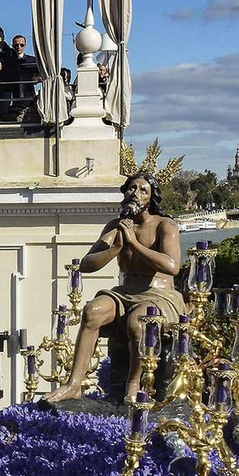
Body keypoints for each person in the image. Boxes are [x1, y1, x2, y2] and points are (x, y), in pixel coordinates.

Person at [44, 171, 184, 404]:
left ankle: (133, 385)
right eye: (131, 188)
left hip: (159, 296)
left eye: (142, 190)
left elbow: (172, 266)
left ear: (151, 199)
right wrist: (115, 249)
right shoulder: (116, 226)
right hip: (125, 292)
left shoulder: (164, 225)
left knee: (138, 323)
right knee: (92, 312)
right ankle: (74, 384)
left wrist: (134, 243)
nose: (135, 193)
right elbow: (87, 264)